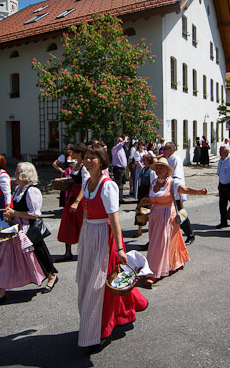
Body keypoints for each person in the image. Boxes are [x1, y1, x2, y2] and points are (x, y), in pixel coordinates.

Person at [77, 142, 147, 354]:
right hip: (90, 235)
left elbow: (114, 220)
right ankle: (122, 314)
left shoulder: (107, 185)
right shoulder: (87, 181)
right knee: (87, 280)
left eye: (93, 158)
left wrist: (119, 249)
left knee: (100, 288)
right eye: (87, 157)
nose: (88, 161)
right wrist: (83, 237)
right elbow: (87, 213)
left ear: (101, 161)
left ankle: (101, 331)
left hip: (105, 238)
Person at [0, 162, 58, 307]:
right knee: (6, 259)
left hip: (28, 229)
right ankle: (1, 290)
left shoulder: (32, 191)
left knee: (39, 252)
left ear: (24, 174)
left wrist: (15, 213)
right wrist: (10, 214)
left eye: (17, 172)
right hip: (17, 229)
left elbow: (35, 215)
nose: (15, 174)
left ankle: (51, 275)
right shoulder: (18, 189)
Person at [144, 157, 207, 286]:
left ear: (167, 170)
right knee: (169, 241)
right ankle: (175, 263)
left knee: (158, 245)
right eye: (157, 167)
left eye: (161, 167)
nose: (159, 170)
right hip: (155, 217)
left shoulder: (173, 183)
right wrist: (143, 204)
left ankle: (154, 272)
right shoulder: (153, 182)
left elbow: (186, 189)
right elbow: (152, 199)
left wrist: (199, 192)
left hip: (168, 216)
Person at [56, 143, 89, 262]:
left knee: (82, 224)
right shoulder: (76, 164)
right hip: (71, 196)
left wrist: (77, 201)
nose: (71, 153)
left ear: (79, 153)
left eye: (73, 151)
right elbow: (73, 179)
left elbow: (84, 186)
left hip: (79, 198)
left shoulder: (84, 167)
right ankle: (68, 253)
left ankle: (85, 252)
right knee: (67, 222)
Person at [162, 142, 195, 244]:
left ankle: (190, 234)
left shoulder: (175, 159)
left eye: (165, 148)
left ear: (171, 149)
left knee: (180, 213)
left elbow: (176, 176)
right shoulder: (167, 159)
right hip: (167, 190)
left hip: (175, 190)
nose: (163, 150)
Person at [134, 153, 156, 237]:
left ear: (149, 161)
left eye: (144, 160)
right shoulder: (143, 169)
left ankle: (152, 228)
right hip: (142, 191)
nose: (143, 161)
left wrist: (150, 194)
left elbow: (152, 183)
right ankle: (139, 229)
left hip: (147, 191)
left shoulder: (152, 171)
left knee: (147, 210)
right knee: (140, 210)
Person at [216, 144, 230, 229]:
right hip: (222, 185)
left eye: (221, 151)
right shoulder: (220, 160)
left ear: (226, 152)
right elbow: (220, 173)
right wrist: (219, 183)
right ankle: (223, 222)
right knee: (222, 205)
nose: (219, 152)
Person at [111, 136, 128, 203]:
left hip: (123, 168)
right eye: (120, 141)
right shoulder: (114, 148)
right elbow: (119, 145)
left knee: (122, 184)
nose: (122, 143)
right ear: (116, 142)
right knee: (118, 184)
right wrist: (125, 140)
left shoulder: (121, 149)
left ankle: (120, 198)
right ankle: (116, 199)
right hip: (118, 169)